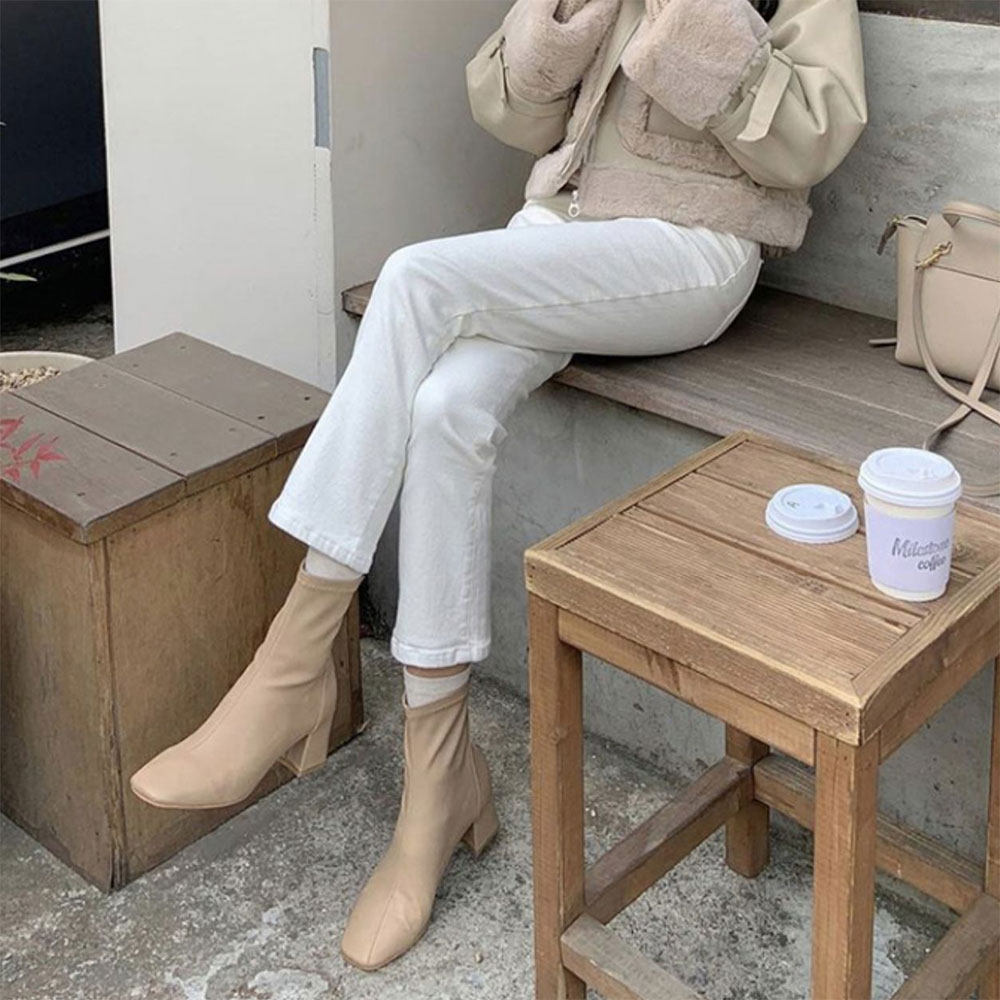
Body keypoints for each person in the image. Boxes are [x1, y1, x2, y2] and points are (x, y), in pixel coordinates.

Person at [130, 0, 867, 973]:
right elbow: (514, 112)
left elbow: (813, 138)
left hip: (690, 245)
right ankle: (440, 785)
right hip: (559, 231)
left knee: (412, 279)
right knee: (444, 408)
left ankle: (293, 662)